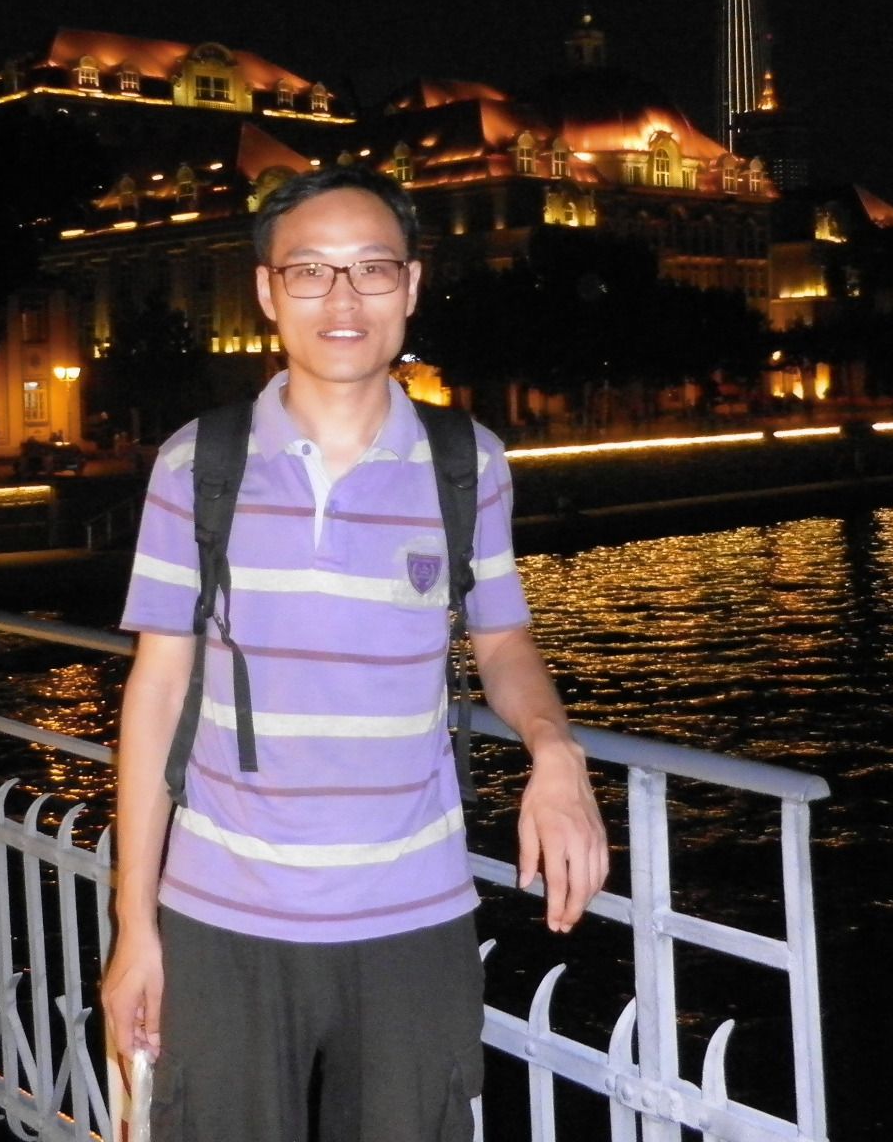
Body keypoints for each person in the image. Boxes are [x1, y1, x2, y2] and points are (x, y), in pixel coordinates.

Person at [101, 167, 609, 1140]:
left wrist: (555, 748)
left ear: (410, 286)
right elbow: (157, 691)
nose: (342, 299)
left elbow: (501, 638)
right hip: (222, 913)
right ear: (267, 292)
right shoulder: (195, 465)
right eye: (310, 271)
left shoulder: (466, 462)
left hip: (413, 914)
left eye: (371, 269)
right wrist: (135, 928)